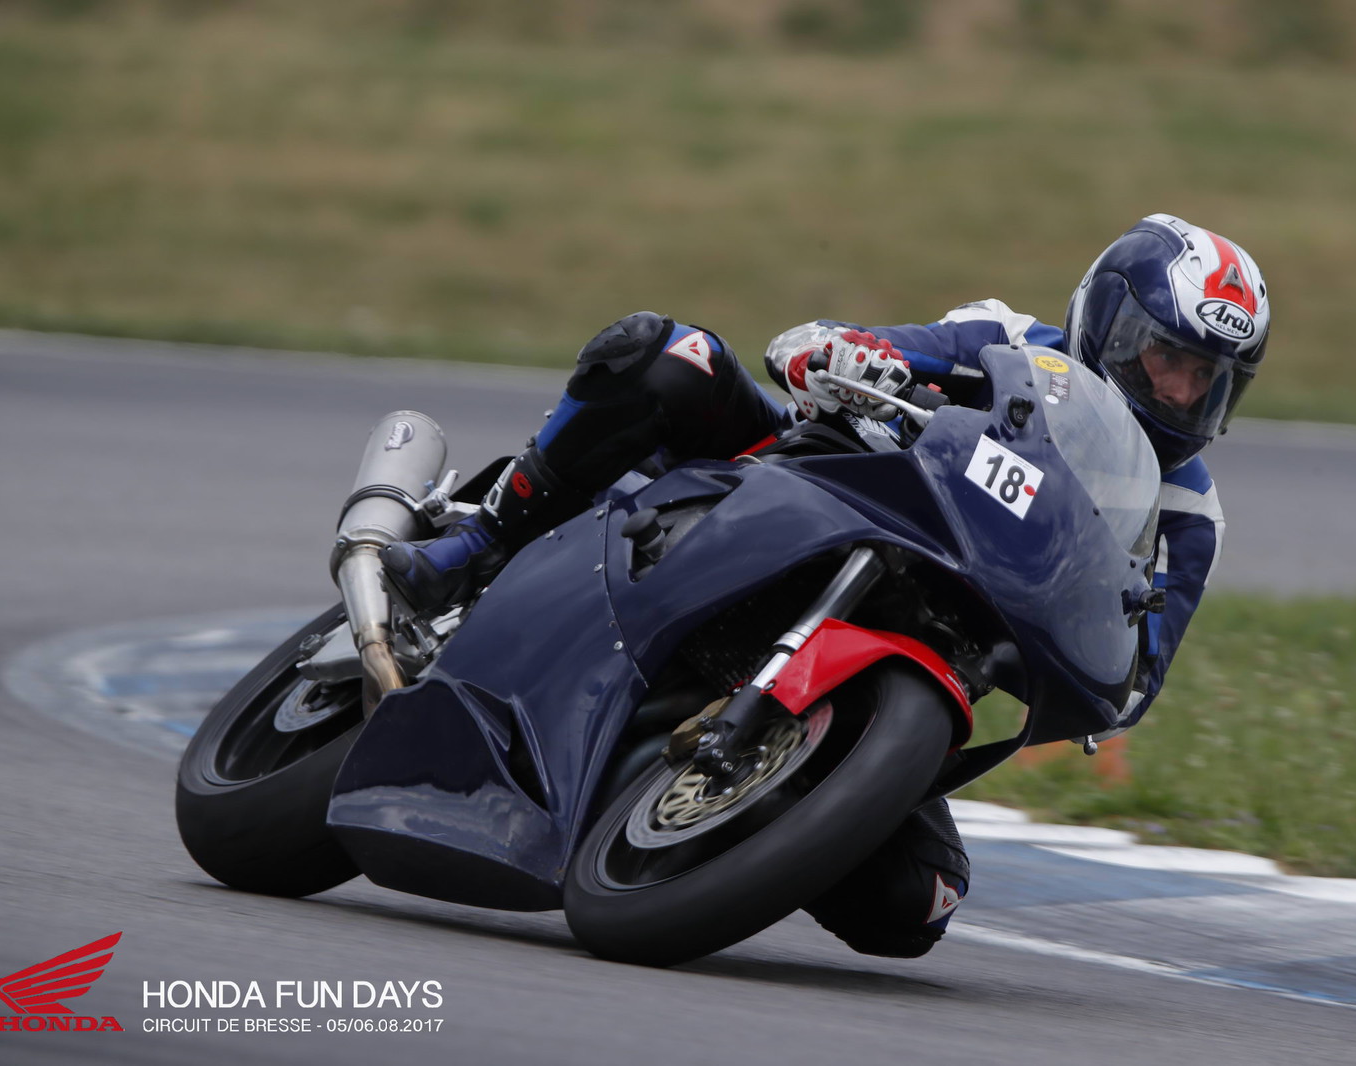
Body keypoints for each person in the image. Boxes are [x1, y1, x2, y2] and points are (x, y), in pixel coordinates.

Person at [379, 212, 1271, 957]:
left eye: (1209, 380)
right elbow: (858, 348)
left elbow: (1136, 673)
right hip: (815, 494)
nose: (1181, 392)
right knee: (669, 355)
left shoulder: (1190, 514)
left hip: (929, 636)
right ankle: (478, 542)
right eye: (1167, 357)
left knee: (918, 903)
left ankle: (742, 812)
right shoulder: (1009, 343)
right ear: (1107, 321)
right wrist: (840, 356)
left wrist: (1096, 658)